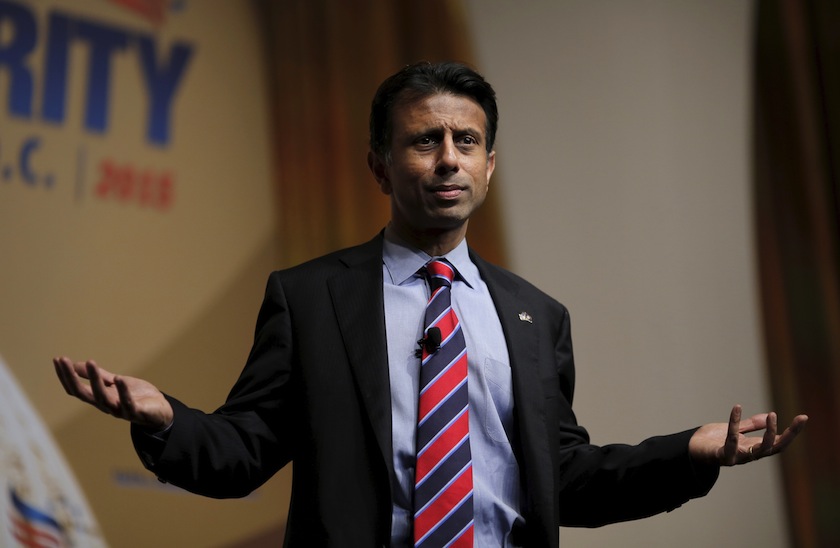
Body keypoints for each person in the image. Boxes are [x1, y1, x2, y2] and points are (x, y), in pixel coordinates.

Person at [54, 61, 808, 547]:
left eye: (466, 140)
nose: (448, 157)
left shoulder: (536, 316)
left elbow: (566, 478)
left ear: (488, 164)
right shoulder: (312, 297)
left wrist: (690, 453)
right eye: (424, 141)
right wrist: (164, 420)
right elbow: (245, 451)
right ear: (380, 167)